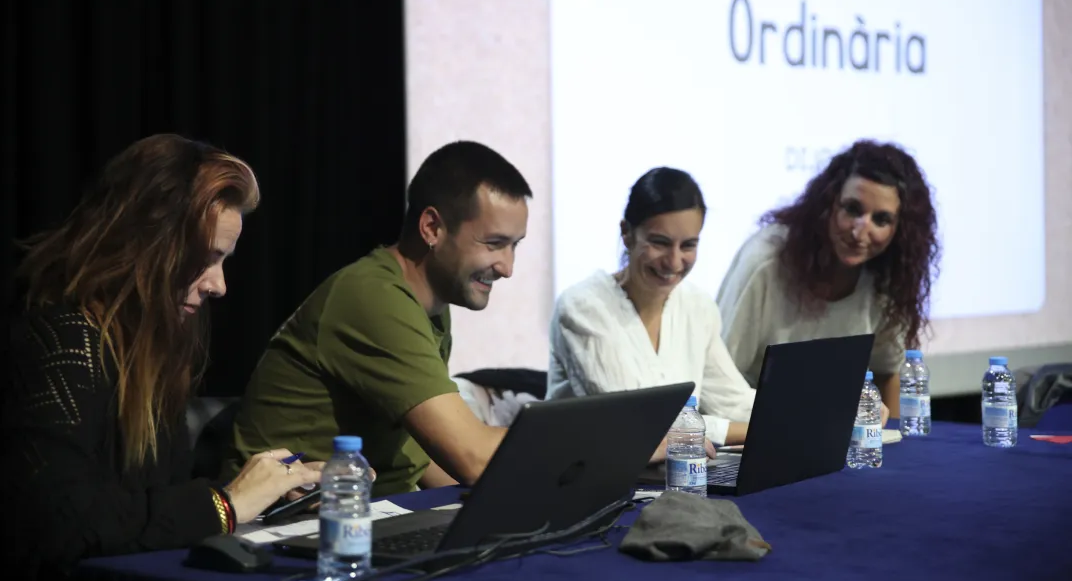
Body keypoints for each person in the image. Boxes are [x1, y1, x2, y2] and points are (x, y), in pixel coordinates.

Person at [0, 134, 321, 581]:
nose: (218, 285)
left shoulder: (146, 344)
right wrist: (224, 504)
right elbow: (59, 521)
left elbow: (145, 501)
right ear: (147, 242)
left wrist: (266, 497)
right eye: (207, 258)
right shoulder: (61, 336)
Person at [226, 141, 532, 496]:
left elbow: (430, 458)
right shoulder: (374, 298)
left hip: (367, 511)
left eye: (515, 245)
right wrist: (579, 441)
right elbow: (473, 458)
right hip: (285, 524)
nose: (507, 268)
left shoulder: (430, 305)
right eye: (494, 243)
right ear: (432, 228)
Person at [716, 140, 940, 419]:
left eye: (880, 220)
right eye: (853, 210)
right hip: (748, 428)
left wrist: (895, 451)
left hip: (830, 431)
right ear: (828, 204)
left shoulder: (887, 276)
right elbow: (718, 380)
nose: (860, 232)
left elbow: (885, 373)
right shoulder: (767, 262)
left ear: (900, 230)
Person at [547, 167, 752, 449]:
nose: (675, 262)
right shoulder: (584, 308)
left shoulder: (697, 305)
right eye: (660, 243)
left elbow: (735, 402)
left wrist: (795, 413)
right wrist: (741, 431)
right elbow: (638, 425)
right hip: (580, 484)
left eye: (688, 245)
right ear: (627, 234)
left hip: (664, 479)